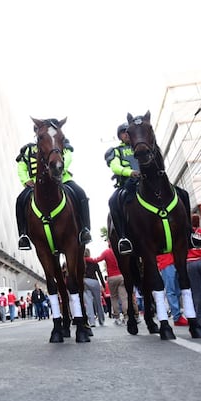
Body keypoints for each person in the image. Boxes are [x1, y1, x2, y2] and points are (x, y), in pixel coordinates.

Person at [15, 126, 93, 249]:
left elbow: (68, 157)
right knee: (20, 200)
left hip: (62, 179)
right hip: (36, 184)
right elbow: (22, 166)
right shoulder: (28, 149)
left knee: (80, 194)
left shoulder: (59, 144)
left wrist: (60, 170)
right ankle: (23, 235)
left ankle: (85, 229)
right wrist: (26, 180)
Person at [105, 122, 140, 254]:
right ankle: (123, 238)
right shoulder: (116, 151)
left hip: (149, 179)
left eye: (128, 131)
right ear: (119, 136)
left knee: (181, 193)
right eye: (123, 132)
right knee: (112, 201)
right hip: (128, 182)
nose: (126, 134)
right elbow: (115, 167)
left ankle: (189, 232)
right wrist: (130, 172)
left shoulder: (141, 145)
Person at [87, 246, 126, 325]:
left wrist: (86, 258)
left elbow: (96, 260)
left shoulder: (106, 252)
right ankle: (126, 317)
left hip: (111, 277)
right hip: (121, 275)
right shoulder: (119, 250)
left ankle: (117, 318)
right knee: (124, 298)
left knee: (114, 298)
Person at [156, 252, 185, 326]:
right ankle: (177, 317)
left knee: (178, 290)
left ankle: (178, 315)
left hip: (175, 261)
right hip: (166, 262)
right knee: (171, 290)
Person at [82, 249, 106, 327]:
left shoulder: (81, 262)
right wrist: (103, 285)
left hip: (85, 281)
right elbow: (99, 274)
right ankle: (101, 320)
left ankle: (92, 322)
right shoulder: (94, 261)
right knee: (98, 301)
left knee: (88, 302)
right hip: (94, 281)